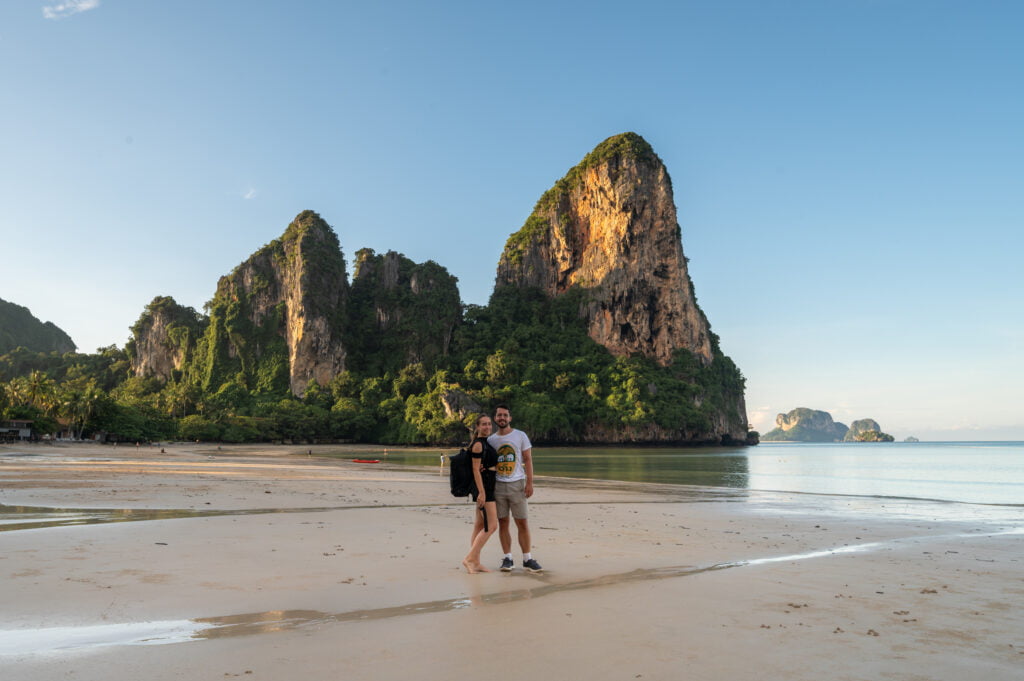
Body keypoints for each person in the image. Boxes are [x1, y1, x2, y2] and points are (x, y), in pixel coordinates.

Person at [488, 404, 543, 573]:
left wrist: (529, 483)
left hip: (517, 484)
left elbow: (528, 460)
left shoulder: (520, 435)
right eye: (499, 415)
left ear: (510, 418)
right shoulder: (491, 440)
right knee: (503, 522)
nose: (502, 418)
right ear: (495, 418)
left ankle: (527, 558)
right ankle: (508, 558)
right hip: (498, 485)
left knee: (522, 522)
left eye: (505, 415)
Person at [462, 414, 498, 574]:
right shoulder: (478, 444)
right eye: (484, 424)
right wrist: (482, 493)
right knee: (491, 526)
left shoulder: (484, 442)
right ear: (477, 427)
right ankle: (469, 558)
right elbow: (475, 469)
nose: (487, 427)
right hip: (484, 488)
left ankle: (475, 561)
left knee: (479, 525)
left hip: (486, 485)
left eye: (489, 424)